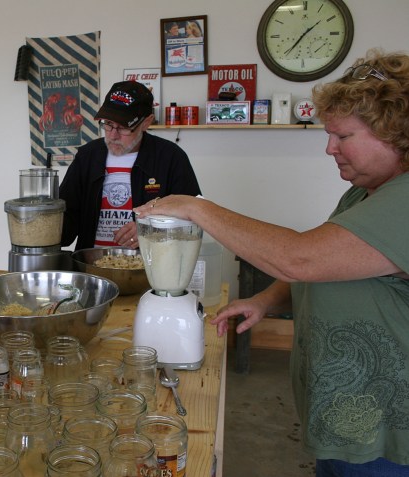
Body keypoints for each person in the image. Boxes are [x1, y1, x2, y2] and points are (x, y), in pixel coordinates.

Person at [134, 49, 409, 475]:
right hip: (349, 420)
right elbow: (330, 267)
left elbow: (301, 257)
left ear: (397, 133)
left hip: (391, 434)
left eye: (343, 136)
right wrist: (266, 300)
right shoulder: (366, 192)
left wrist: (197, 208)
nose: (329, 148)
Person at [59, 80, 201, 250]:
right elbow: (67, 220)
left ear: (146, 122)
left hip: (149, 269)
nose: (112, 135)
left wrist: (151, 229)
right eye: (108, 124)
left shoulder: (170, 157)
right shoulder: (87, 156)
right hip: (91, 267)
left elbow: (193, 219)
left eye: (123, 127)